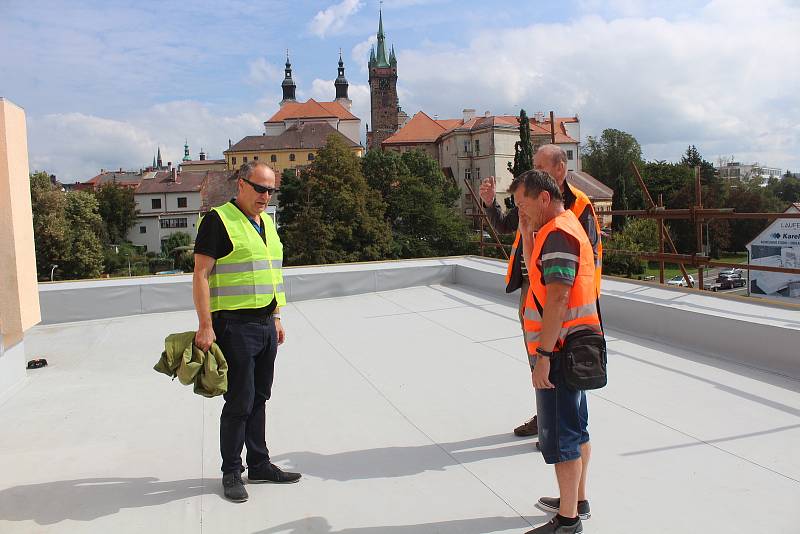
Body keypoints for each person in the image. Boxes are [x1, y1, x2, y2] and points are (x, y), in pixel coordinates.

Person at [193, 161, 301, 503]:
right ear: (241, 184)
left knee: (260, 397)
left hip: (266, 324)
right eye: (259, 188)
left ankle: (259, 462)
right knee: (239, 400)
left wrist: (277, 316)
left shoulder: (267, 222)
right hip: (234, 325)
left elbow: (272, 273)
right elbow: (200, 275)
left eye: (271, 190)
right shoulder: (218, 220)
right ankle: (230, 471)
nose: (265, 196)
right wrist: (205, 325)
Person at [480, 145, 602, 438]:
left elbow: (587, 257)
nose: (535, 172)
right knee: (539, 358)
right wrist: (489, 204)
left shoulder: (577, 205)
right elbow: (508, 224)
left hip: (561, 296)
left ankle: (565, 424)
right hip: (532, 288)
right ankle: (548, 415)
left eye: (541, 166)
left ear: (560, 169)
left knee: (565, 360)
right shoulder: (533, 199)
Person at [510, 169, 600, 534]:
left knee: (563, 438)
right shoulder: (558, 227)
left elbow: (559, 297)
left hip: (560, 352)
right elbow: (536, 273)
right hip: (575, 346)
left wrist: (543, 357)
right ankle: (576, 500)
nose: (521, 211)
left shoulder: (559, 235)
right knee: (577, 429)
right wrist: (525, 228)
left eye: (523, 204)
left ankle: (568, 522)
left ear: (543, 198)